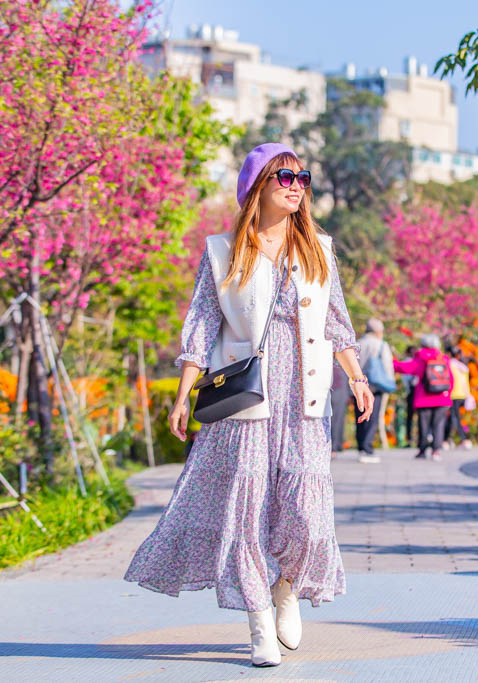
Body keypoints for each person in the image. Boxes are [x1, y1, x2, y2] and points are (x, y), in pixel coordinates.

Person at [124, 143, 374, 669]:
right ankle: (259, 619)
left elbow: (336, 322)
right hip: (246, 398)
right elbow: (201, 326)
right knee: (246, 510)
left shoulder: (320, 250)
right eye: (283, 175)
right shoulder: (223, 252)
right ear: (256, 186)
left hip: (305, 399)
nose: (295, 184)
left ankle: (287, 587)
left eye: (301, 177)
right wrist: (183, 395)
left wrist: (357, 377)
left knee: (307, 514)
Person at [393, 333, 453, 461]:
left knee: (423, 425)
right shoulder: (443, 358)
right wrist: (448, 394)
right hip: (442, 398)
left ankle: (422, 450)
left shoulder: (421, 358)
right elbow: (451, 379)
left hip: (424, 398)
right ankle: (436, 451)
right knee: (438, 425)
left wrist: (391, 362)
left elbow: (404, 368)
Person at [355, 318, 394, 463]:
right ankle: (367, 449)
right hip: (375, 387)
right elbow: (387, 365)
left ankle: (360, 447)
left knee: (359, 416)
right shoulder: (381, 345)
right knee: (371, 417)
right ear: (378, 331)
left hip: (358, 385)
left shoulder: (358, 343)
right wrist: (389, 383)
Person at [444, 346, 472, 450]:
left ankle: (464, 439)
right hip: (462, 395)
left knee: (454, 417)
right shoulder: (463, 366)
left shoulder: (450, 365)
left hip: (453, 394)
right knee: (452, 418)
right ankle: (446, 439)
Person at [329, 362, 351, 458]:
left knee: (337, 418)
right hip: (334, 383)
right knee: (334, 418)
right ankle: (333, 447)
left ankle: (335, 446)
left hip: (339, 384)